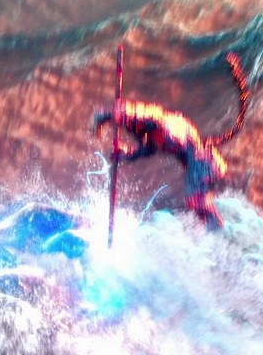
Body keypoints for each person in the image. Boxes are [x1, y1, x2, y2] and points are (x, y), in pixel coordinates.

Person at [92, 52, 249, 228]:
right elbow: (148, 148)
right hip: (205, 162)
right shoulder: (152, 133)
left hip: (204, 163)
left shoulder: (158, 122)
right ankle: (215, 233)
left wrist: (107, 115)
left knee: (198, 202)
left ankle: (219, 234)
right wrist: (125, 153)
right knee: (199, 206)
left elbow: (146, 116)